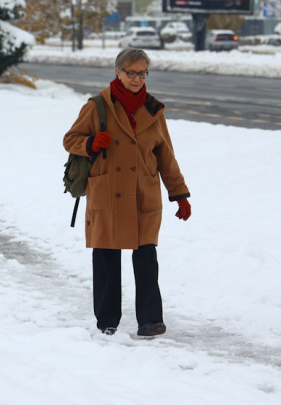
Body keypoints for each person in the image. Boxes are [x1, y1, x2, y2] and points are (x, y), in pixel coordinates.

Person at [63, 48, 191, 337]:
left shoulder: (154, 110)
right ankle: (107, 321)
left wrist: (179, 194)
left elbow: (166, 156)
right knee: (107, 258)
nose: (136, 78)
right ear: (117, 72)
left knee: (146, 257)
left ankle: (151, 321)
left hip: (143, 193)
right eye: (130, 72)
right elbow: (70, 139)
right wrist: (91, 143)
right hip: (108, 192)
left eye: (142, 73)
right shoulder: (97, 106)